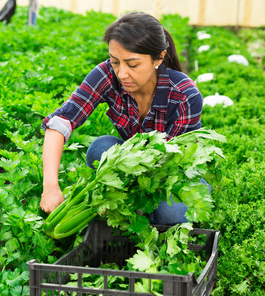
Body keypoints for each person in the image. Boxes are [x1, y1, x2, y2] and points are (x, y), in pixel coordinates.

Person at [40, 12, 205, 225]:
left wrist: (122, 200)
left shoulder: (185, 95)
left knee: (171, 214)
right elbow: (61, 122)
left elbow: (171, 165)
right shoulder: (107, 74)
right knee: (101, 148)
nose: (122, 74)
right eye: (115, 61)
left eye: (132, 64)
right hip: (131, 164)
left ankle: (147, 215)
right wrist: (51, 187)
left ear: (159, 58)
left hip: (173, 173)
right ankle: (142, 214)